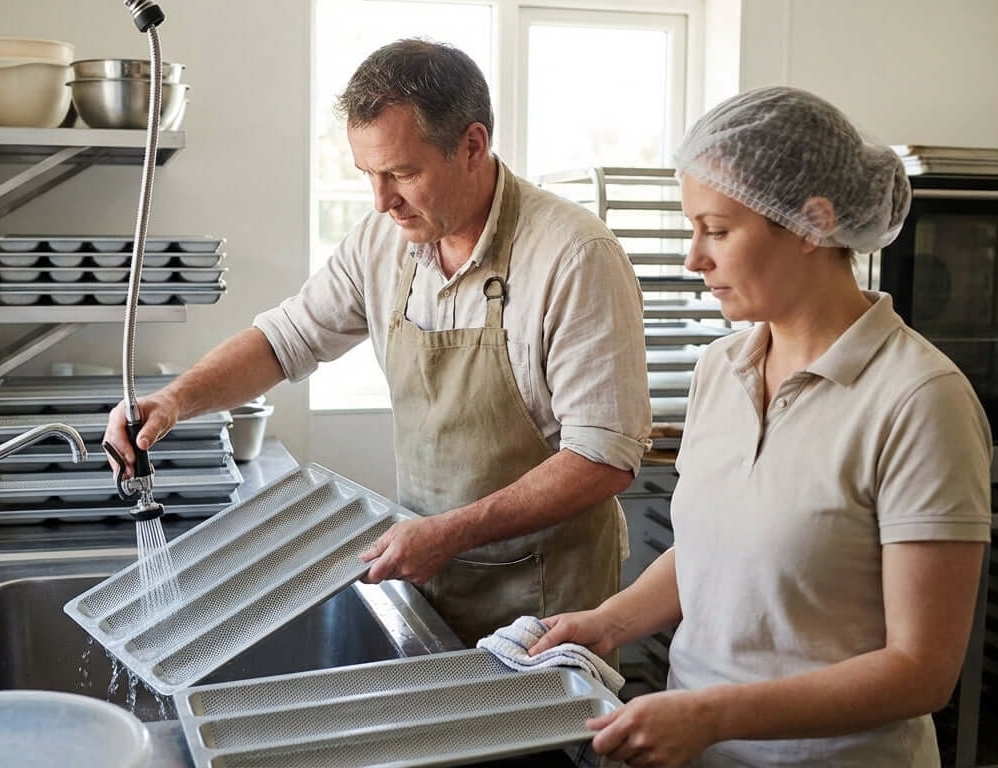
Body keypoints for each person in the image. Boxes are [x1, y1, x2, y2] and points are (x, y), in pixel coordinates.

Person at [104, 39, 652, 646]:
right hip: (428, 576)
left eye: (403, 173)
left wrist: (450, 532)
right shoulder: (383, 242)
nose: (381, 201)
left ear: (472, 146)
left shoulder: (574, 256)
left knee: (537, 746)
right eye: (368, 174)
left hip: (547, 603)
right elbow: (285, 339)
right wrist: (176, 400)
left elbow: (603, 460)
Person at [527, 86, 992, 767]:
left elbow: (922, 668)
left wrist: (712, 715)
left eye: (716, 230)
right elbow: (718, 553)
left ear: (811, 223)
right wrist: (607, 622)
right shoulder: (724, 366)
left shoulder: (920, 401)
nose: (694, 258)